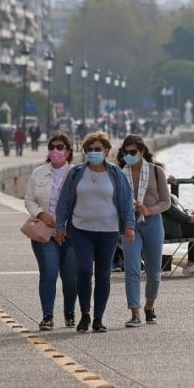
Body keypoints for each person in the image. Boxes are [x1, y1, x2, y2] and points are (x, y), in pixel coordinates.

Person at [55, 131, 135, 333]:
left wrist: (129, 226)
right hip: (81, 229)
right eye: (89, 150)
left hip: (108, 231)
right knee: (83, 270)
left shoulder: (116, 174)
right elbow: (64, 200)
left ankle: (98, 318)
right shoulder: (76, 173)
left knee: (103, 275)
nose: (93, 153)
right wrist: (60, 226)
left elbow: (126, 203)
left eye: (97, 149)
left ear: (106, 151)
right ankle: (85, 314)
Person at [24, 132, 77, 330]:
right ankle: (47, 316)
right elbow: (29, 199)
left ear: (68, 151)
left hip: (70, 233)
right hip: (45, 232)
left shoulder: (76, 173)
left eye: (60, 147)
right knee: (48, 273)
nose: (55, 151)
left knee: (70, 276)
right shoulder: (38, 173)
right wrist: (40, 214)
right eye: (52, 147)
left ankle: (70, 312)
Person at [116, 134, 171, 326]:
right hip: (130, 224)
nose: (129, 155)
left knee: (154, 272)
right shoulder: (120, 173)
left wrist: (149, 210)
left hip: (153, 222)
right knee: (131, 268)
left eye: (133, 152)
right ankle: (135, 312)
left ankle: (149, 306)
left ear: (142, 152)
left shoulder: (157, 172)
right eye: (126, 152)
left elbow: (166, 201)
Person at [161, 190, 194, 277]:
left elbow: (173, 206)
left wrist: (174, 186)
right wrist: (188, 218)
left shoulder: (157, 189)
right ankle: (190, 266)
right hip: (168, 228)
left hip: (170, 225)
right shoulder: (158, 191)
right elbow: (171, 209)